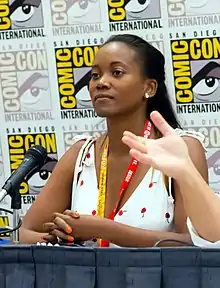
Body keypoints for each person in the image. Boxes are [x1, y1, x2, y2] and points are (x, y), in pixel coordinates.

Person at [19, 34, 208, 247]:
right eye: (95, 75)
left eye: (116, 73)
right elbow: (25, 233)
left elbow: (194, 244)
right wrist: (64, 238)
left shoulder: (182, 150)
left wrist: (100, 229)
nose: (101, 83)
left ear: (149, 88)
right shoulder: (81, 154)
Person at [122, 111, 220, 247]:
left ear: (150, 89)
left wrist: (186, 172)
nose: (100, 87)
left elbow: (209, 240)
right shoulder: (82, 152)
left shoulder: (185, 147)